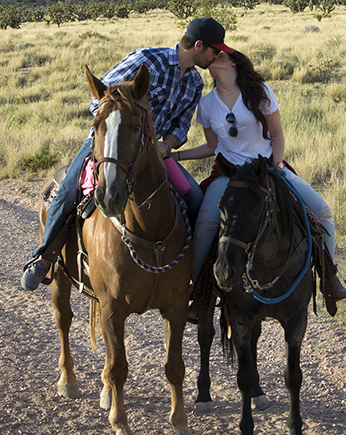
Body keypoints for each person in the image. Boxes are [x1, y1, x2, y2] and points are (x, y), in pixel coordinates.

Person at [21, 17, 233, 291]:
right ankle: (43, 257)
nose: (216, 56)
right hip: (110, 144)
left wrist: (165, 145)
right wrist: (115, 129)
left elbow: (181, 127)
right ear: (199, 46)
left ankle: (190, 275)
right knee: (68, 192)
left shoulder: (194, 82)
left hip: (152, 152)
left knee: (194, 198)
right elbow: (100, 97)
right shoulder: (147, 60)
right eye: (214, 51)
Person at [171, 49, 346, 307]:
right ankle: (199, 293)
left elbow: (277, 134)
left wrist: (277, 164)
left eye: (219, 55)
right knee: (204, 226)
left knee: (322, 212)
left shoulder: (260, 92)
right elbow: (212, 146)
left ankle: (329, 280)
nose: (214, 58)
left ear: (233, 61)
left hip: (265, 168)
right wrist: (176, 157)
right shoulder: (207, 104)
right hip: (228, 174)